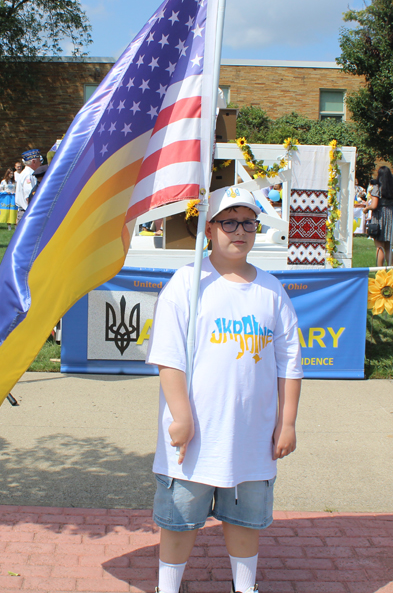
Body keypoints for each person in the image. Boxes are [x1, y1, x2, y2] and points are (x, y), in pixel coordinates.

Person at [146, 186, 303, 593]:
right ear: (209, 228)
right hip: (194, 441)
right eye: (229, 222)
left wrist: (287, 423)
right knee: (179, 522)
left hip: (251, 439)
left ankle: (244, 586)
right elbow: (169, 357)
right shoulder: (187, 284)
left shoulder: (271, 290)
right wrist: (181, 416)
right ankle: (169, 587)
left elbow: (289, 362)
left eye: (248, 222)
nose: (240, 231)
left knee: (245, 522)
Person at [362, 166, 393, 267]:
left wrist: (366, 208)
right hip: (390, 217)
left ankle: (380, 270)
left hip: (379, 217)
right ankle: (390, 270)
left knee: (379, 246)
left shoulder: (377, 188)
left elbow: (374, 205)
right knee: (388, 247)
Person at [14, 149, 41, 224]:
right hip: (27, 213)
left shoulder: (25, 173)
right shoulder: (29, 175)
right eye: (39, 160)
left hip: (24, 213)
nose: (40, 163)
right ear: (33, 162)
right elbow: (29, 196)